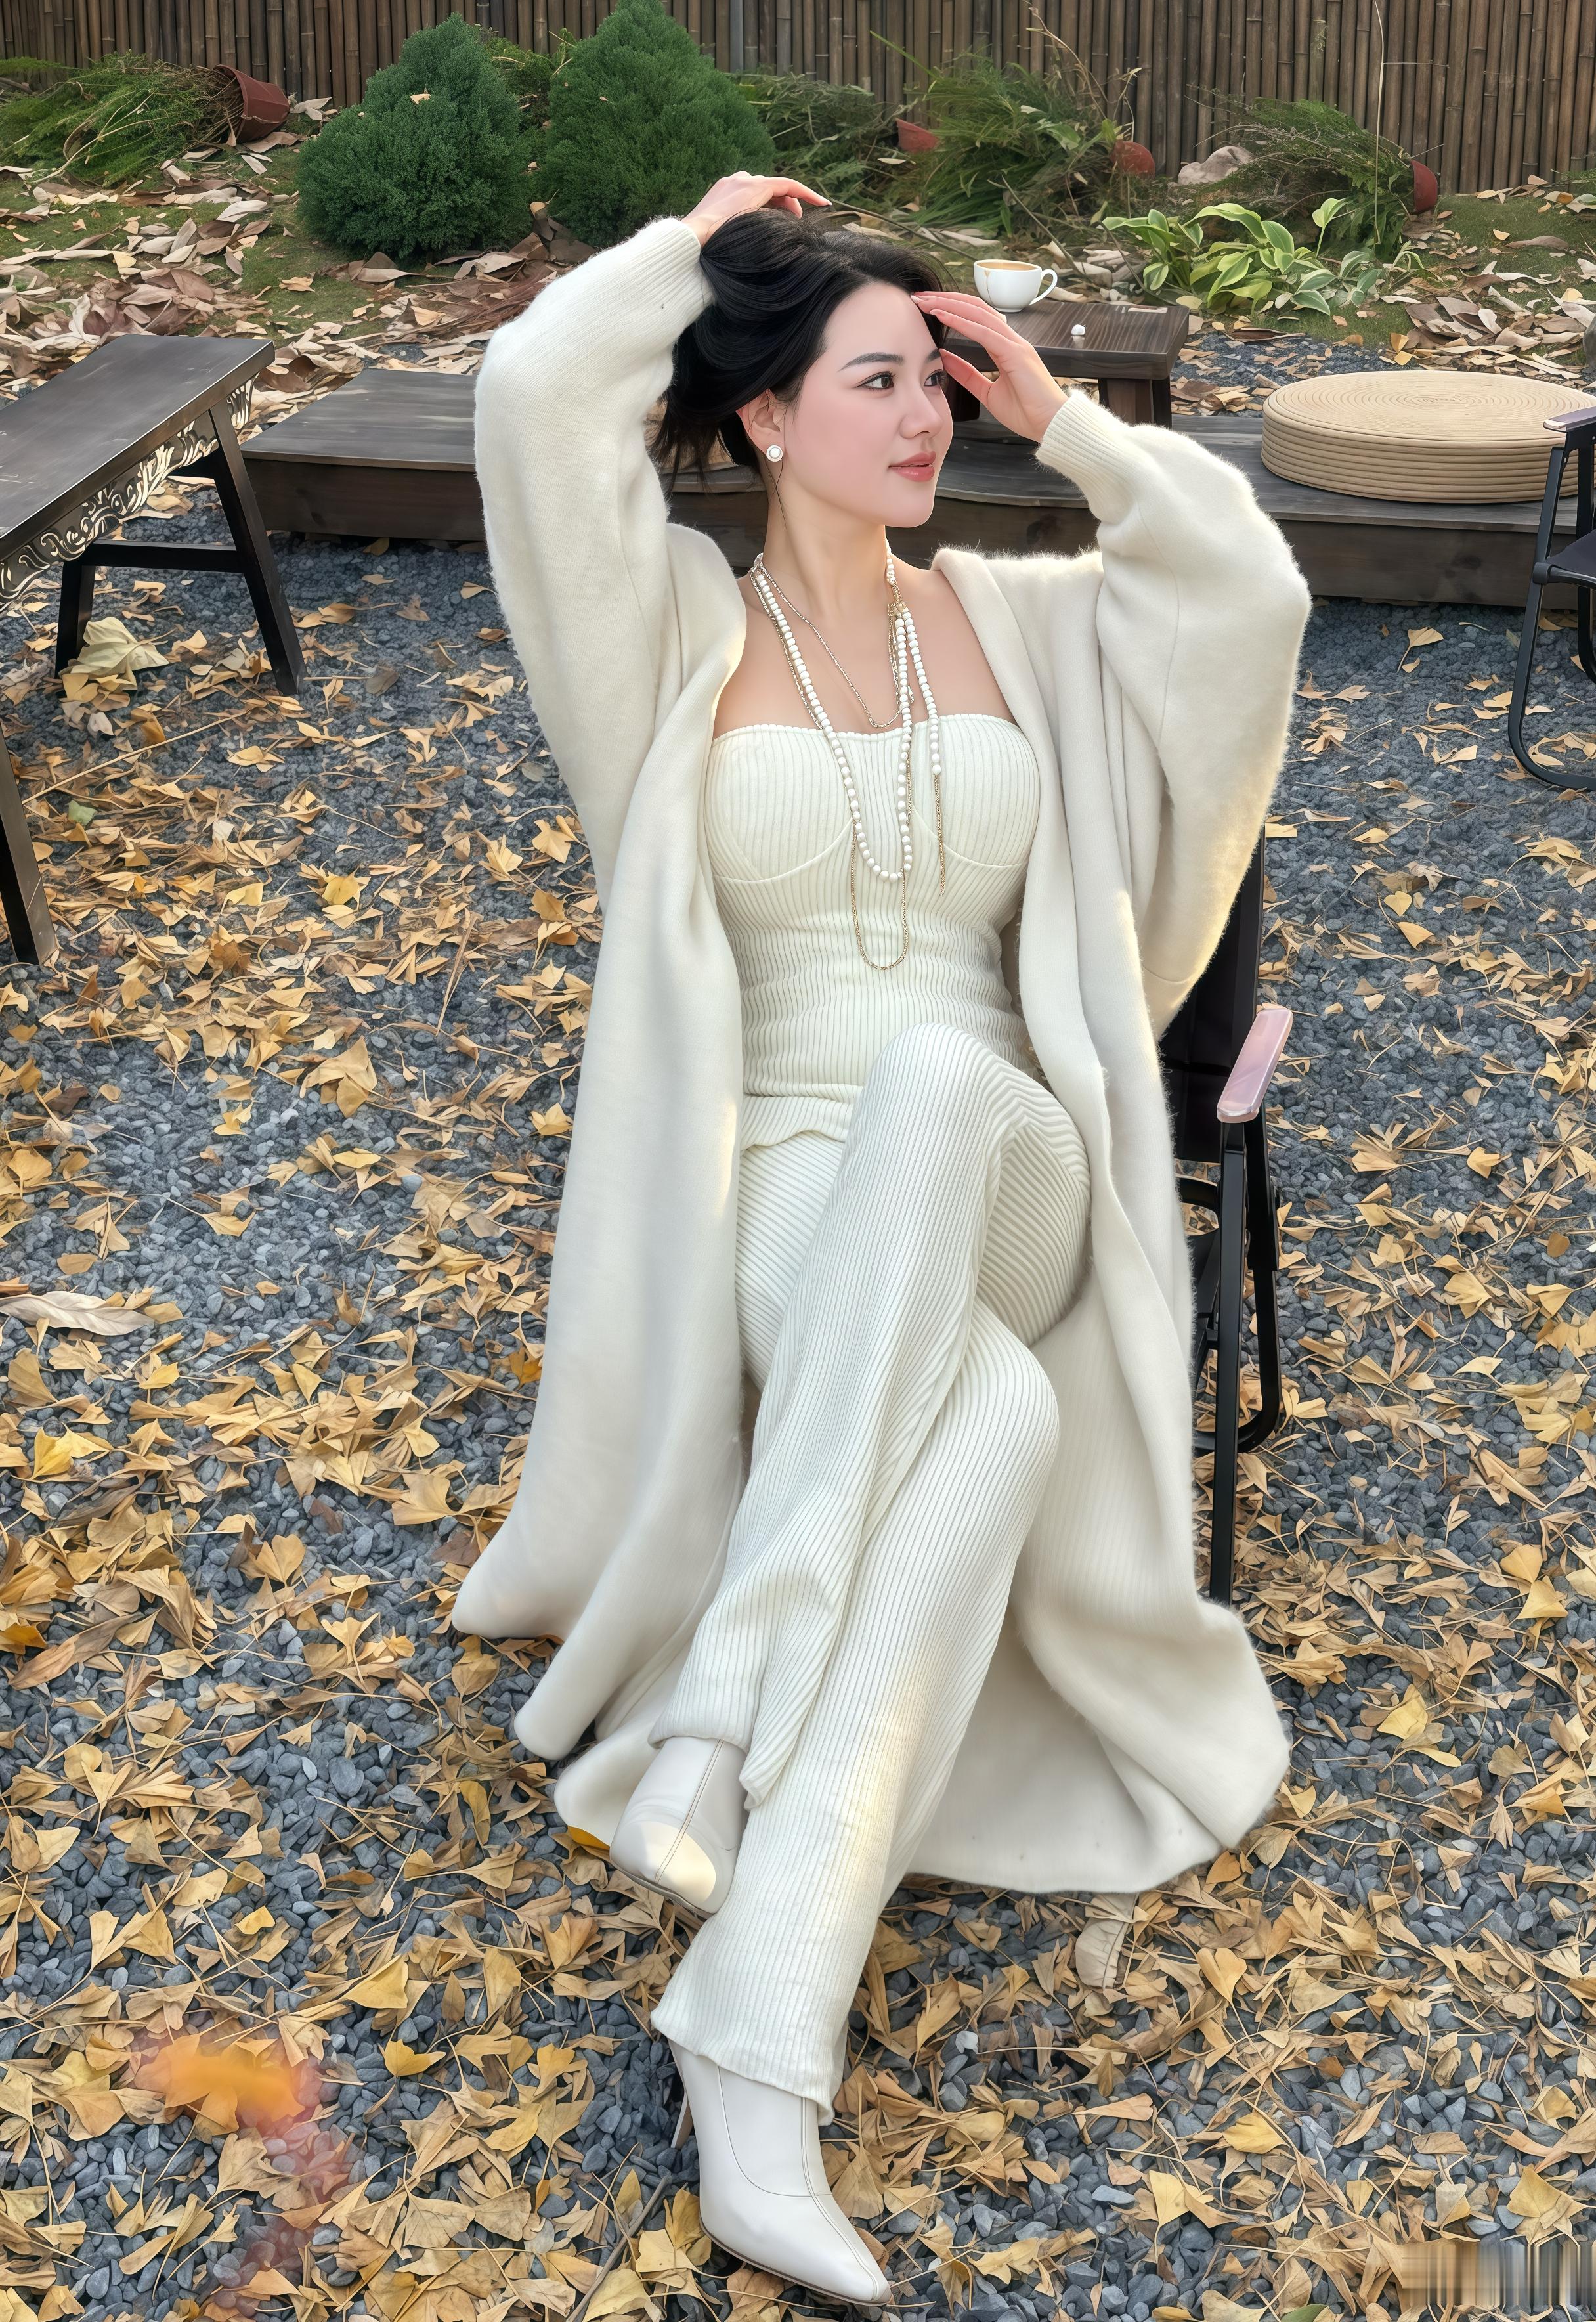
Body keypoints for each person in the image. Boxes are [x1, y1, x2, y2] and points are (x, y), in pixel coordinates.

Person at [453, 169, 1313, 2304]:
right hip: (782, 1184)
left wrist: (1066, 418)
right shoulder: (666, 633)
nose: (926, 416)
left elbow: (1252, 597)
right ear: (763, 418)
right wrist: (688, 238)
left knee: (937, 1081)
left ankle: (729, 1697)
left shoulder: (1026, 617)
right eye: (878, 381)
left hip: (1002, 1155)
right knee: (993, 1421)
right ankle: (757, 2048)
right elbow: (533, 397)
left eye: (941, 380)